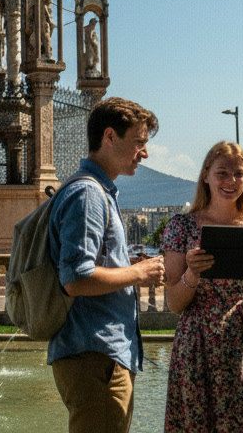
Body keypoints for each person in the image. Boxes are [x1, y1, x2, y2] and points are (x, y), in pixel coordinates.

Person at [48, 97, 167, 433]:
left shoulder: (99, 191)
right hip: (95, 352)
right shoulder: (88, 194)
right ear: (110, 137)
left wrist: (126, 266)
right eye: (139, 142)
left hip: (100, 352)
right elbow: (76, 277)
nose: (144, 153)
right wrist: (138, 273)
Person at [160, 141, 243, 432]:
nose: (231, 181)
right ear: (205, 175)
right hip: (198, 347)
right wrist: (192, 274)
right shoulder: (180, 227)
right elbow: (175, 304)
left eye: (239, 174)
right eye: (222, 173)